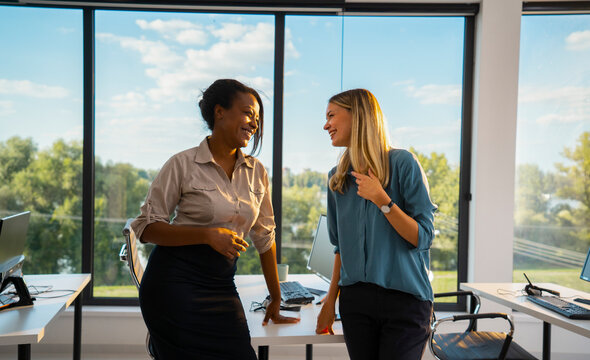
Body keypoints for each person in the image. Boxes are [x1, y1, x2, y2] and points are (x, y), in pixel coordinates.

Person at [131, 79, 299, 360]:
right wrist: (207, 235)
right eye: (248, 113)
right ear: (220, 112)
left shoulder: (257, 172)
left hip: (220, 284)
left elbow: (264, 237)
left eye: (257, 118)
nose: (254, 124)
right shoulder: (182, 164)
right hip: (173, 285)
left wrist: (276, 297)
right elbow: (146, 228)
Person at [315, 89, 437, 360]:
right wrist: (330, 299)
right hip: (356, 302)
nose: (326, 125)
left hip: (405, 302)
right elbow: (340, 249)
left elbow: (423, 237)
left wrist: (383, 200)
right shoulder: (336, 179)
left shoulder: (404, 163)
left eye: (331, 116)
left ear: (357, 116)